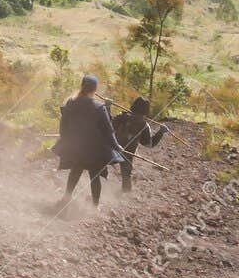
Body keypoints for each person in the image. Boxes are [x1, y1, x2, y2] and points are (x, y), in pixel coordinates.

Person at [52, 74, 123, 210]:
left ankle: (66, 197)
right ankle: (95, 206)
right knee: (94, 176)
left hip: (77, 148)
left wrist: (66, 140)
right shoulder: (98, 107)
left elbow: (63, 126)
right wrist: (116, 146)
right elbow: (108, 131)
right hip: (94, 151)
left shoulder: (71, 103)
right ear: (95, 89)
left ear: (82, 86)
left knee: (75, 171)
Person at [113, 96, 166, 192]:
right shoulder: (126, 118)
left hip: (118, 150)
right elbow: (149, 144)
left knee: (124, 174)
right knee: (124, 173)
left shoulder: (123, 117)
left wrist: (160, 132)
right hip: (118, 149)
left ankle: (123, 195)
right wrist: (161, 132)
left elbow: (107, 127)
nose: (138, 118)